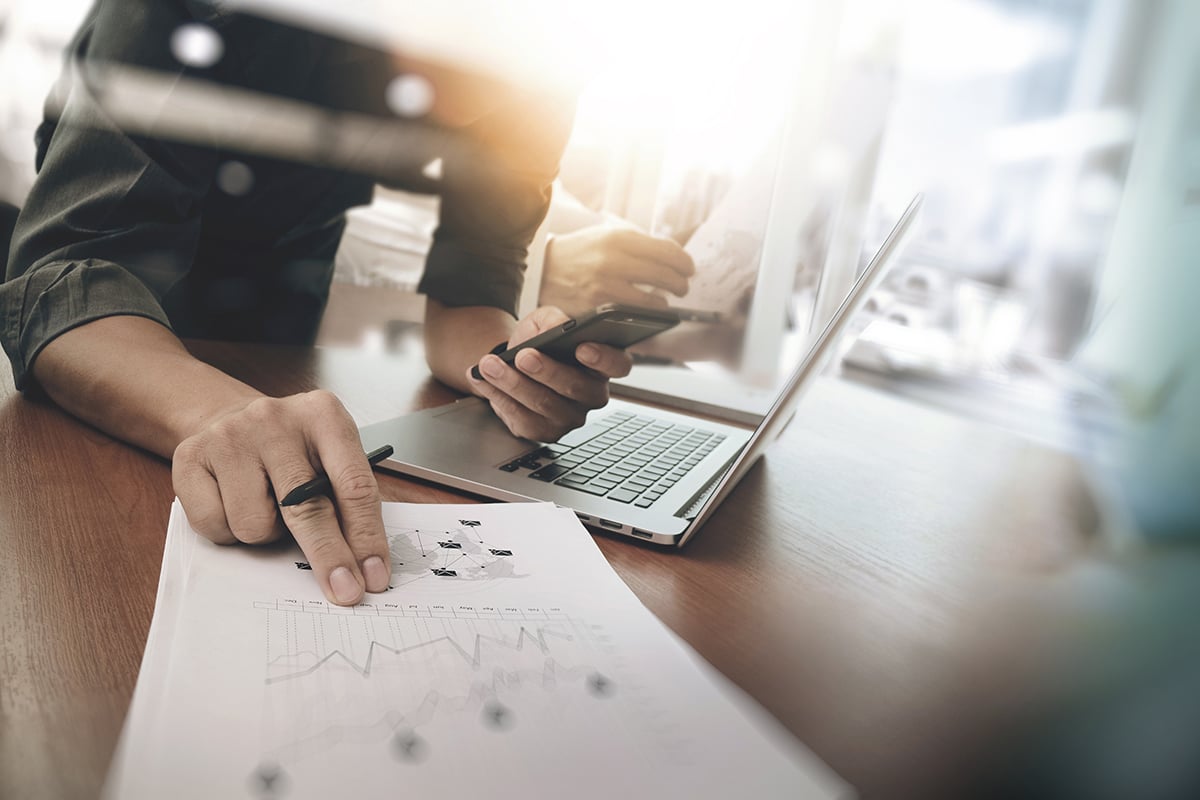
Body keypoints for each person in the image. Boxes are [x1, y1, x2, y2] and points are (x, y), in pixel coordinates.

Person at [0, 1, 633, 607]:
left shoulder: (543, 69)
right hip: (105, 343)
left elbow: (475, 286)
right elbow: (62, 285)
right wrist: (223, 412)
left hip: (281, 302)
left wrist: (510, 369)